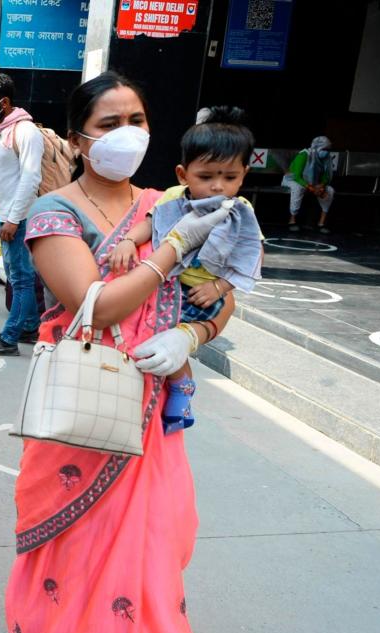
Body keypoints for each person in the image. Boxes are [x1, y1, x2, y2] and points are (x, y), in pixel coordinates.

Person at [6, 72, 237, 633]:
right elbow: (96, 306)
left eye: (136, 118)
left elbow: (221, 294)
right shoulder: (55, 214)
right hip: (87, 404)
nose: (126, 133)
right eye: (109, 124)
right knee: (81, 540)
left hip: (156, 409)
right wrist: (166, 251)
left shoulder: (170, 202)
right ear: (78, 140)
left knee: (153, 541)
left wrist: (194, 333)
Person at [110, 106, 263, 433]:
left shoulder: (240, 212)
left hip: (204, 295)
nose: (218, 187)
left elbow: (251, 256)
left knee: (167, 341)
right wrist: (126, 241)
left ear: (244, 174)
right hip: (168, 287)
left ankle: (181, 386)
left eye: (230, 177)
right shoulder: (173, 198)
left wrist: (220, 287)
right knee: (149, 338)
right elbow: (151, 225)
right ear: (183, 174)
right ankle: (181, 386)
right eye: (206, 177)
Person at [0, 72, 46, 357]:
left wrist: (13, 218)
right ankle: (28, 326)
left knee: (22, 278)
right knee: (17, 276)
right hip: (5, 216)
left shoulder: (26, 131)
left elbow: (31, 179)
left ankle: (9, 337)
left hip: (20, 218)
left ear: (4, 101)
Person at [283, 135, 335, 233]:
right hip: (292, 180)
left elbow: (326, 175)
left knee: (330, 190)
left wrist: (322, 185)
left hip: (314, 183)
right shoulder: (304, 155)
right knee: (298, 188)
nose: (326, 152)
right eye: (324, 149)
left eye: (328, 149)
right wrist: (310, 187)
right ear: (317, 147)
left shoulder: (326, 158)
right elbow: (296, 176)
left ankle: (321, 223)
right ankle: (292, 220)